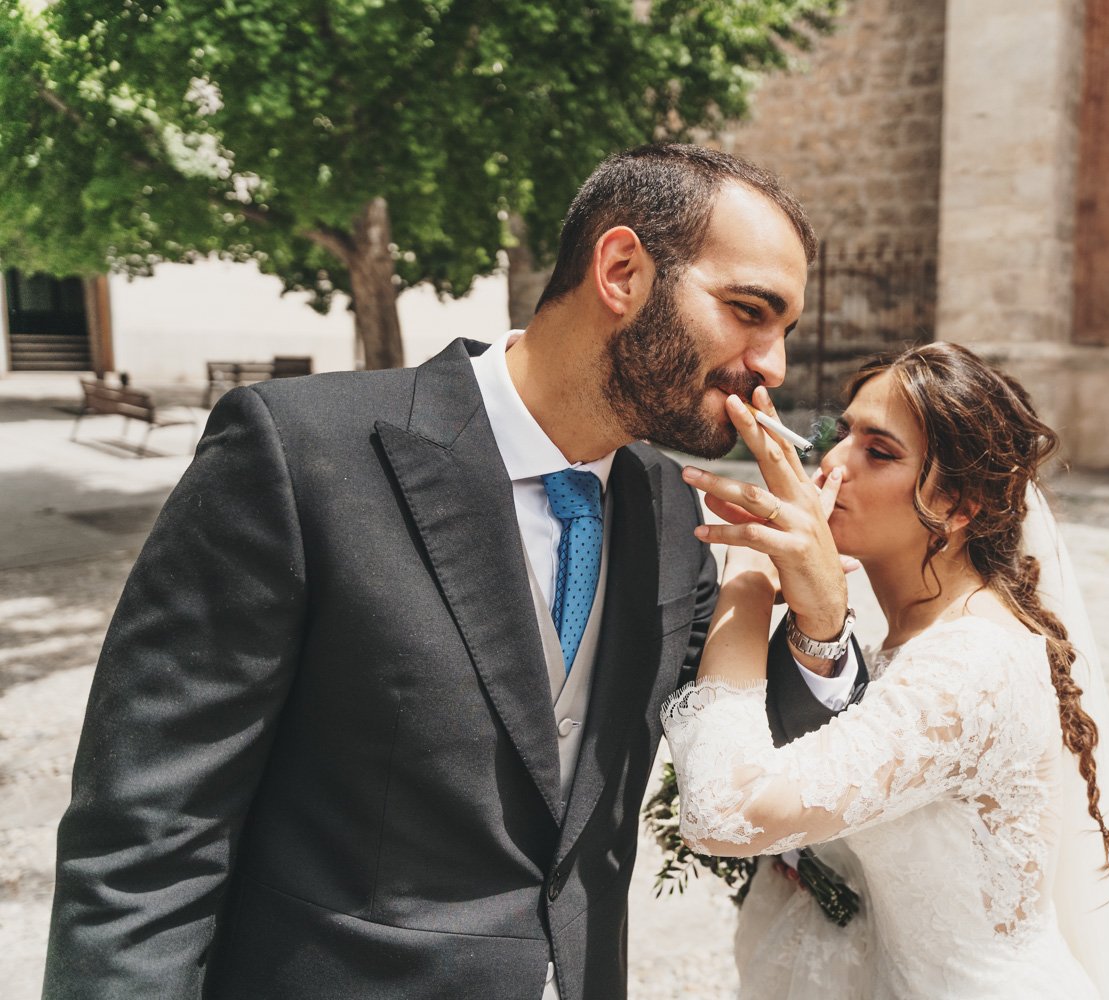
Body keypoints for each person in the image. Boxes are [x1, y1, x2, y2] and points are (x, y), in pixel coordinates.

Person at [42, 144, 866, 1000]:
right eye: (749, 311)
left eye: (784, 330)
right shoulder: (297, 453)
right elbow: (147, 841)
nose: (772, 365)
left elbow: (745, 759)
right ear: (621, 270)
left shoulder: (672, 509)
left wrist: (818, 621)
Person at [664, 343, 1109, 999]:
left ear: (959, 508)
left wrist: (752, 577)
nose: (833, 462)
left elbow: (726, 811)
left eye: (880, 451)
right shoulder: (927, 635)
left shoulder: (971, 663)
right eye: (842, 433)